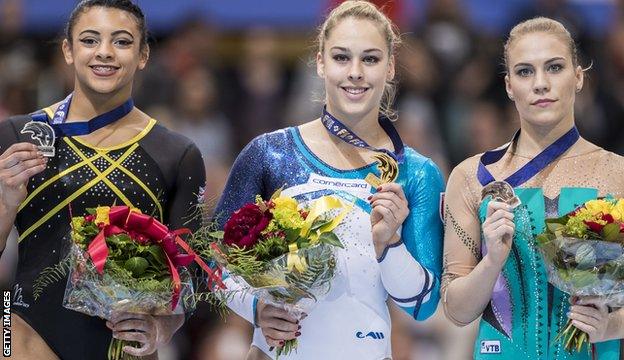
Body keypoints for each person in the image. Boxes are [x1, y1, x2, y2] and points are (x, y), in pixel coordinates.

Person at [214, 1, 445, 359]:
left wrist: (391, 245)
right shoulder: (268, 153)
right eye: (341, 58)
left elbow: (423, 305)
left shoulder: (415, 173)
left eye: (370, 59)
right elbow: (215, 260)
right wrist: (256, 307)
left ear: (391, 67)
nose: (355, 72)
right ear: (320, 63)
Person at [0, 1, 206, 358]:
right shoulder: (18, 136)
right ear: (68, 50)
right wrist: (4, 202)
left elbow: (195, 273)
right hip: (20, 332)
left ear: (143, 55)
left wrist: (162, 326)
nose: (105, 53)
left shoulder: (177, 154)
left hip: (124, 342)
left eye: (122, 42)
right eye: (90, 40)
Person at [442, 17, 624, 359]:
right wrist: (492, 260)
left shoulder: (616, 174)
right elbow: (456, 311)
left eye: (554, 67)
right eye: (525, 72)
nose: (541, 83)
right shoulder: (471, 177)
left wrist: (610, 326)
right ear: (509, 85)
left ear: (579, 76)